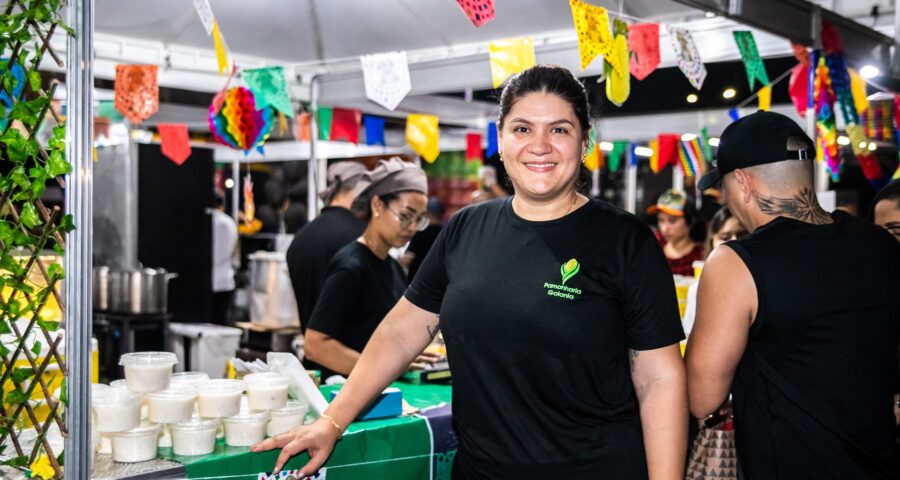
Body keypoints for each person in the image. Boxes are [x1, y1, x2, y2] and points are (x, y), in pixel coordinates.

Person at [254, 65, 687, 480]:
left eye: (559, 129)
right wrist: (331, 420)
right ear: (500, 140)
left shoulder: (625, 241)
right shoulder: (466, 228)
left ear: (585, 142)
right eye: (522, 129)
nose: (540, 145)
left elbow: (659, 379)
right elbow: (402, 332)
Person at [686, 111, 900, 479]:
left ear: (742, 182)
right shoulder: (881, 244)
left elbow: (702, 397)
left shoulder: (736, 264)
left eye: (723, 189)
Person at [303, 158, 438, 380]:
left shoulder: (392, 267)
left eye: (419, 219)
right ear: (377, 205)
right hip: (342, 391)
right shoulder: (351, 266)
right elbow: (315, 344)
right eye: (405, 216)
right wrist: (384, 369)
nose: (412, 227)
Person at [285, 161, 368, 333]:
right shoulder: (362, 237)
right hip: (351, 355)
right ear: (360, 191)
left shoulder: (301, 237)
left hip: (309, 348)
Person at [681, 206, 747, 336]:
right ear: (712, 242)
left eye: (741, 235)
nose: (734, 241)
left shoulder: (762, 283)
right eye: (725, 237)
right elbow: (690, 337)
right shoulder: (698, 290)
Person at [648, 189, 706, 276]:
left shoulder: (701, 255)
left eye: (672, 221)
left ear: (690, 220)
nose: (664, 228)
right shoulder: (654, 245)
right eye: (661, 220)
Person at [399, 196, 444, 283]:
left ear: (426, 213)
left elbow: (407, 260)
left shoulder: (420, 233)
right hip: (439, 284)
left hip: (418, 284)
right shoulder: (445, 232)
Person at [211, 193, 238, 324]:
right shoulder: (229, 222)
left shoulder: (206, 221)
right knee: (221, 323)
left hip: (208, 282)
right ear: (221, 204)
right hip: (225, 281)